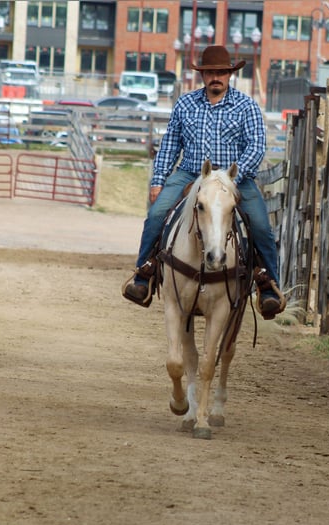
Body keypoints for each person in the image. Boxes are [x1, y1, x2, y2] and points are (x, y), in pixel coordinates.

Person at [122, 45, 285, 319]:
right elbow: (170, 145)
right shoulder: (185, 104)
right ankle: (144, 274)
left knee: (260, 225)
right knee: (157, 215)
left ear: (230, 74)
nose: (216, 77)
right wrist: (158, 181)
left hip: (235, 177)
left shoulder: (247, 106)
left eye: (221, 72)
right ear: (203, 75)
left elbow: (256, 147)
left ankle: (267, 285)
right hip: (190, 174)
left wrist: (230, 178)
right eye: (210, 72)